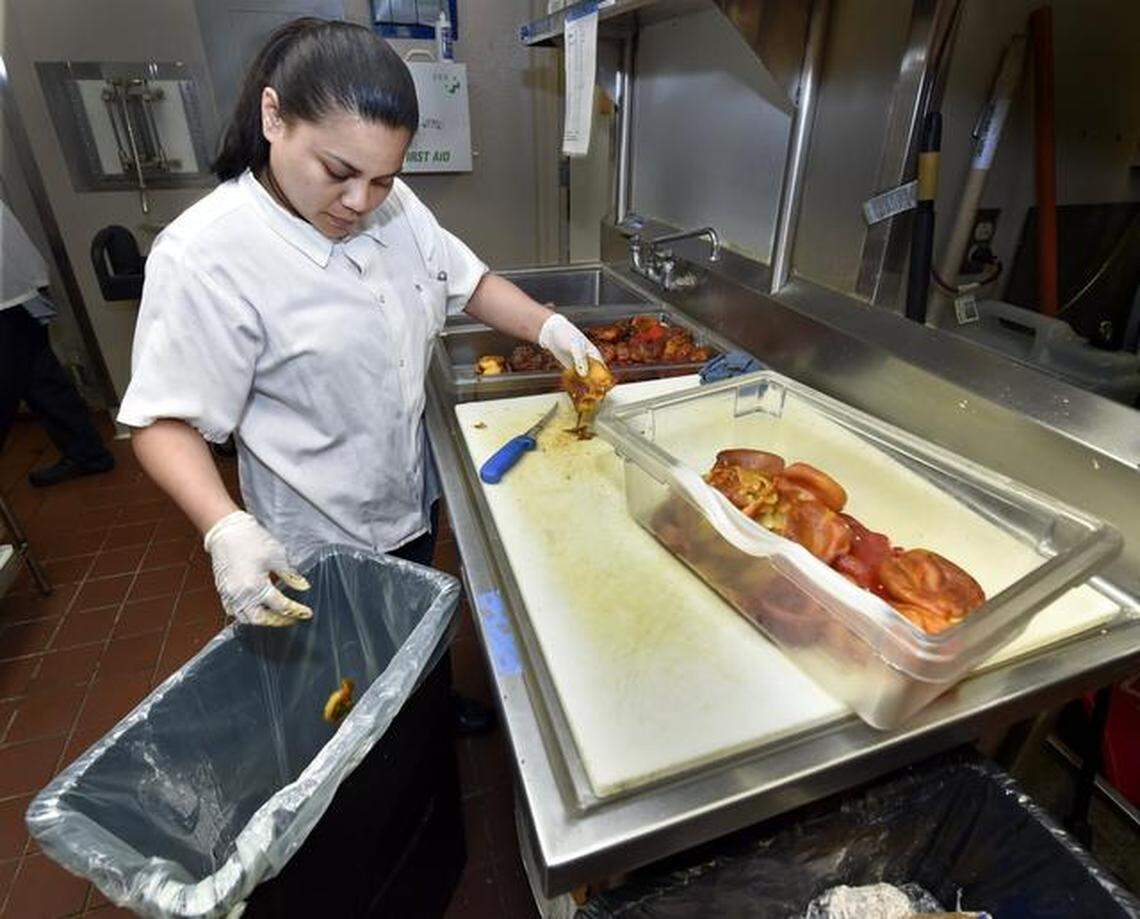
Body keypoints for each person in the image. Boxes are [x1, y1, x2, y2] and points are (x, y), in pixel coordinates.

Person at [116, 19, 603, 723]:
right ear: (273, 116)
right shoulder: (205, 254)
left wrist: (550, 327)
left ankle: (430, 705)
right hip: (317, 536)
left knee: (413, 627)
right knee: (343, 690)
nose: (359, 202)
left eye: (383, 177)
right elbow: (161, 421)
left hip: (407, 493)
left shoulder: (395, 207)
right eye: (339, 173)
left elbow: (466, 281)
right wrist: (223, 526)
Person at [0, 199, 115, 486]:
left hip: (7, 296)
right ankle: (87, 454)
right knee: (41, 378)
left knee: (24, 381)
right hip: (20, 287)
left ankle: (86, 454)